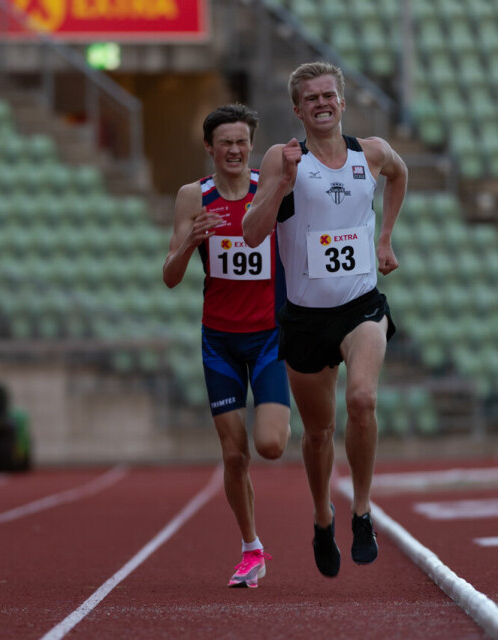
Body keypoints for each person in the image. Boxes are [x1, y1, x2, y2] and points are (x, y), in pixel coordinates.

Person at [243, 62, 407, 577]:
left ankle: (362, 511)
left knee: (361, 398)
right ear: (297, 109)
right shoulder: (282, 158)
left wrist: (384, 238)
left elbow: (400, 174)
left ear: (341, 101)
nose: (321, 103)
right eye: (310, 98)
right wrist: (282, 184)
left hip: (361, 306)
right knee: (318, 433)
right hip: (305, 318)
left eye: (328, 95)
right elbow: (251, 233)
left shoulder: (372, 153)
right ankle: (322, 516)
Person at [163, 103, 291, 588]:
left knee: (271, 445)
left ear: (251, 145)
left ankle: (285, 407)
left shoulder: (272, 190)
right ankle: (250, 547)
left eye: (242, 141)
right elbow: (170, 278)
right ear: (209, 148)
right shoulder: (192, 196)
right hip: (218, 342)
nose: (234, 150)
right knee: (235, 456)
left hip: (268, 339)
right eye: (225, 143)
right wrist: (187, 242)